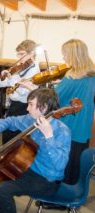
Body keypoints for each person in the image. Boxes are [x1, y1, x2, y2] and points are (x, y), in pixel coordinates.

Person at [0, 88, 71, 213]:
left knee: (3, 189)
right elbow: (10, 121)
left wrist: (49, 136)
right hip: (27, 168)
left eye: (31, 105)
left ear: (43, 107)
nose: (27, 108)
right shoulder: (31, 120)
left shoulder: (62, 131)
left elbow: (60, 165)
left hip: (47, 180)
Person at [19, 39, 95, 185]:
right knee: (76, 161)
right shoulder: (92, 74)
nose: (64, 58)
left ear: (74, 55)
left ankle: (59, 197)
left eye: (65, 54)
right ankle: (72, 192)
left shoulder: (71, 77)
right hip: (84, 124)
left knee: (64, 162)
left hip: (70, 124)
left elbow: (53, 99)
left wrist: (33, 90)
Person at [0, 40, 40, 144]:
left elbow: (22, 90)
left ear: (32, 53)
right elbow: (9, 82)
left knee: (13, 136)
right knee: (7, 134)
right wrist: (0, 81)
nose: (19, 57)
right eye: (18, 54)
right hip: (14, 105)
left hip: (23, 107)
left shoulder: (34, 70)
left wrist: (11, 78)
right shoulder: (22, 66)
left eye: (22, 54)